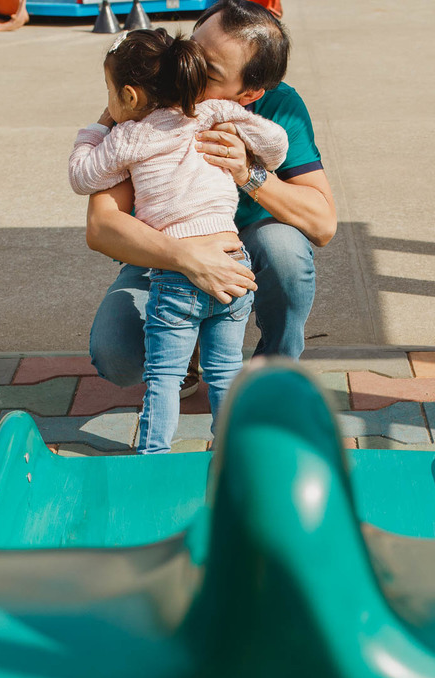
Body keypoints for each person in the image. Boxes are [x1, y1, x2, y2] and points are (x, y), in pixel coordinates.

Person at [86, 0, 337, 391]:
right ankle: (185, 348)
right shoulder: (148, 93)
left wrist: (249, 173)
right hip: (165, 257)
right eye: (189, 51)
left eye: (209, 70)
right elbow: (102, 226)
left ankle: (270, 380)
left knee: (284, 249)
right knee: (117, 356)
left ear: (249, 93)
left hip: (242, 249)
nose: (184, 69)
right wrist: (189, 260)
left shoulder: (280, 107)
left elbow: (322, 224)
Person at [68, 28, 288, 454]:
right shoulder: (212, 113)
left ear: (130, 97)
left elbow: (82, 175)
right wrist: (246, 154)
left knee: (164, 376)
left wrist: (99, 125)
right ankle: (232, 456)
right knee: (225, 373)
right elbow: (277, 147)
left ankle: (154, 458)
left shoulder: (129, 135)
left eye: (110, 92)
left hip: (176, 278)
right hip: (233, 264)